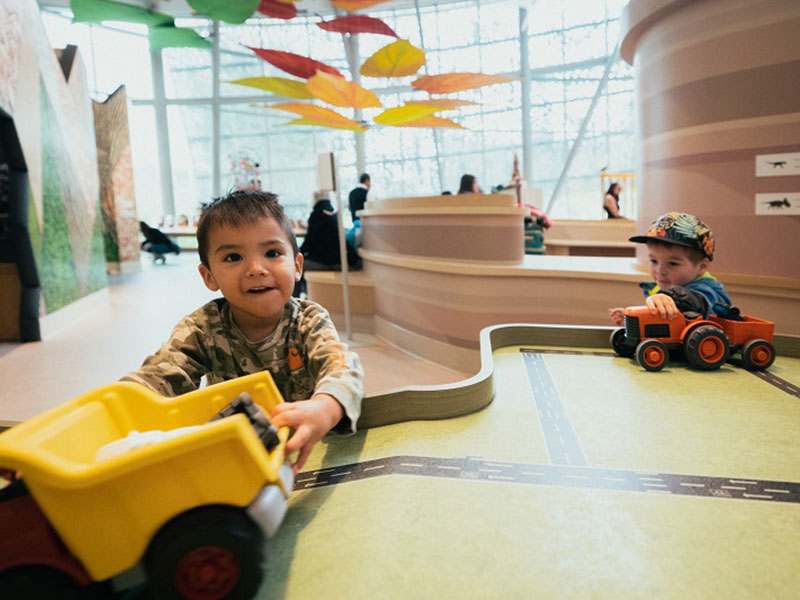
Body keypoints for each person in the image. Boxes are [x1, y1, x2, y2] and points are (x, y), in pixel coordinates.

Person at [123, 191, 363, 472]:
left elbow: (342, 367)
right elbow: (159, 374)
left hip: (301, 449)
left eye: (272, 253)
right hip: (233, 456)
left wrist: (325, 407)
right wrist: (122, 402)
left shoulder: (310, 320)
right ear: (209, 276)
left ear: (297, 266)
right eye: (233, 257)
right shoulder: (202, 327)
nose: (256, 269)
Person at [608, 212, 732, 326]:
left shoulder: (707, 292)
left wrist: (671, 297)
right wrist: (636, 317)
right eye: (654, 261)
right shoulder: (661, 288)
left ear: (701, 266)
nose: (660, 270)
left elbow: (697, 301)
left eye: (672, 263)